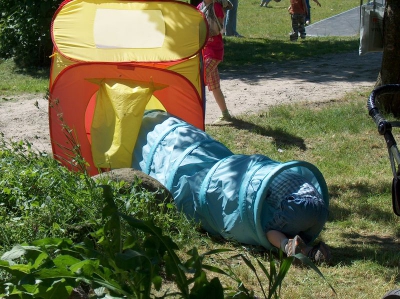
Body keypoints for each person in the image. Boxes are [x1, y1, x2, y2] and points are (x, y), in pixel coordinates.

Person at [262, 169, 331, 263]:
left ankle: (288, 247)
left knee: (270, 232)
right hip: (322, 210)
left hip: (299, 206)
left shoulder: (264, 180)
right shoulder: (290, 172)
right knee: (300, 238)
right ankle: (312, 252)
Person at [197, 0, 232, 123]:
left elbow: (220, 27)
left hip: (214, 52)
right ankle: (226, 114)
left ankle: (196, 115)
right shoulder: (200, 7)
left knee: (199, 78)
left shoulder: (216, 6)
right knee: (214, 86)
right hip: (204, 51)